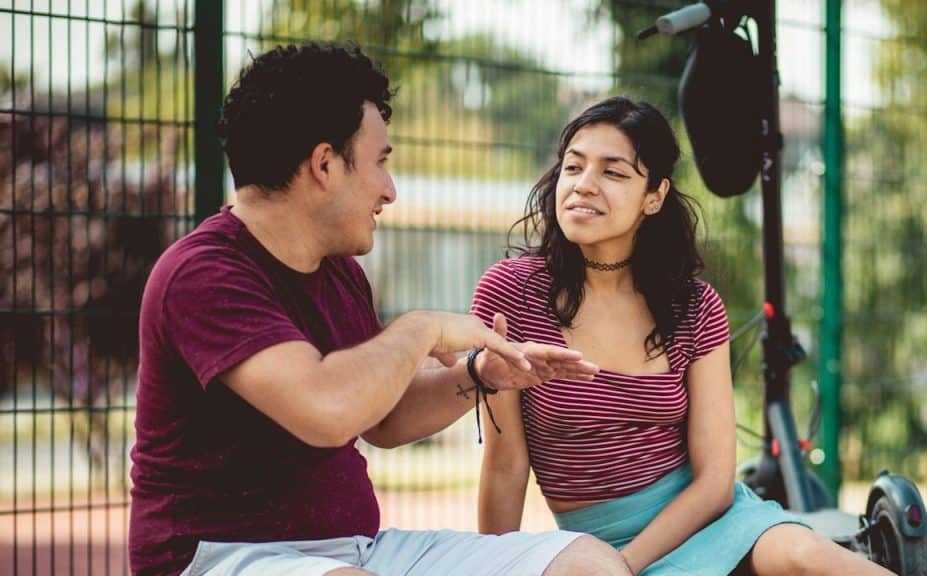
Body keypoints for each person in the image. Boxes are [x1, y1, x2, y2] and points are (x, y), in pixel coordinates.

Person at [129, 42, 635, 576]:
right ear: (324, 164)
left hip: (355, 550)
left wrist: (481, 376)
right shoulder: (204, 273)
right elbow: (325, 409)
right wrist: (421, 329)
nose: (389, 190)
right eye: (380, 162)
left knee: (588, 564)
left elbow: (383, 417)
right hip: (219, 558)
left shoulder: (338, 269)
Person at [472, 96, 894, 575]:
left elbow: (715, 481)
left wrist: (624, 565)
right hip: (589, 546)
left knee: (807, 556)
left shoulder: (694, 306)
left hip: (712, 521)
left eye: (613, 173)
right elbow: (505, 466)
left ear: (654, 195)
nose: (583, 186)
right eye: (573, 167)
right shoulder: (508, 294)